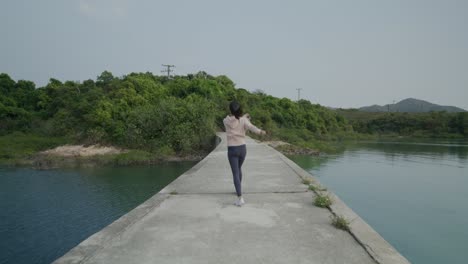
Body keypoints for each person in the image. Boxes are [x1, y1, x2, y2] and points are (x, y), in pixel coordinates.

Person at [223, 101, 266, 207]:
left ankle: (240, 198)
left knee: (235, 173)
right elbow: (251, 127)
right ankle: (239, 190)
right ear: (240, 110)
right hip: (242, 149)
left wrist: (243, 117)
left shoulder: (225, 120)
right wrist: (260, 132)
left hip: (232, 150)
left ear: (231, 110)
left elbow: (235, 119)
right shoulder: (244, 120)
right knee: (239, 169)